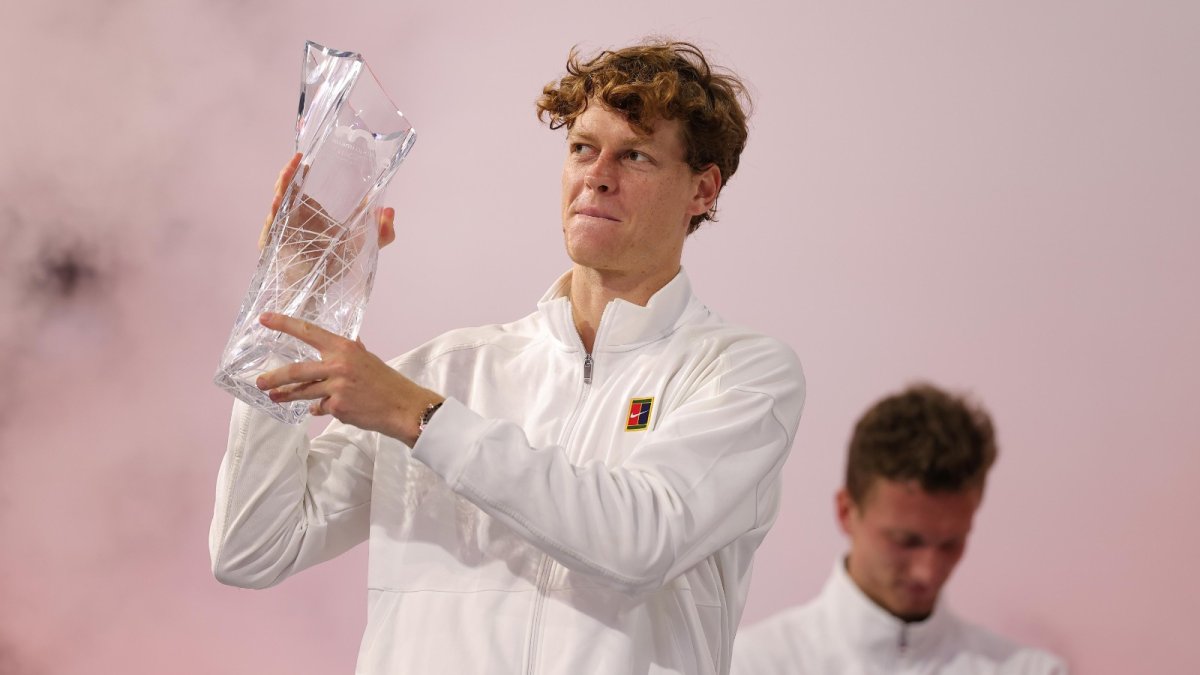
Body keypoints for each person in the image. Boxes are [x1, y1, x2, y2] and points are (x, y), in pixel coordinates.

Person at [210, 40, 806, 675]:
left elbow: (639, 541)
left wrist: (421, 417)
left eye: (635, 155)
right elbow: (253, 548)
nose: (598, 175)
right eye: (583, 148)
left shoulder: (742, 372)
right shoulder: (446, 369)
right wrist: (299, 292)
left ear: (703, 189)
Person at [732, 383, 1067, 674]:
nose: (928, 572)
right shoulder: (749, 666)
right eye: (906, 541)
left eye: (951, 543)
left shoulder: (1030, 670)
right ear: (847, 511)